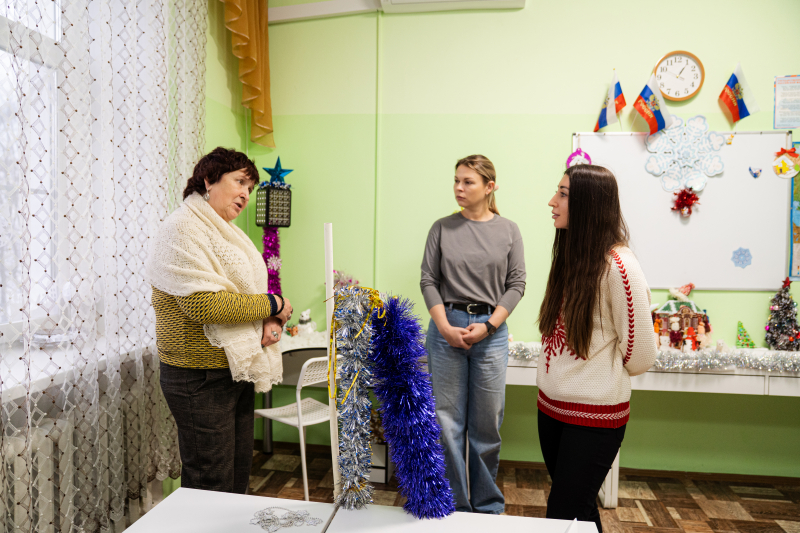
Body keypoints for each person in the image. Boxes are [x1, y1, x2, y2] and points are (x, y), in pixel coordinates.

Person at [146, 147, 293, 494]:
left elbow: (245, 296)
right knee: (211, 482)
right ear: (209, 179)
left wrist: (271, 318)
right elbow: (204, 305)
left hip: (234, 368)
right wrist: (274, 303)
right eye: (240, 181)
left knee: (236, 476)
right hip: (198, 375)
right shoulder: (182, 228)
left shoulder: (226, 232)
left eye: (250, 188)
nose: (246, 194)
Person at [536, 164, 656, 532]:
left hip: (592, 418)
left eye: (563, 194)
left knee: (563, 516)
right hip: (551, 408)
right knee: (579, 511)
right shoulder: (571, 255)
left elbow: (642, 353)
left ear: (588, 204)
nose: (552, 202)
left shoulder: (620, 267)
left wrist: (600, 376)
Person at [420, 154, 526, 514]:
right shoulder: (441, 228)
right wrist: (444, 327)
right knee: (446, 421)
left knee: (487, 424)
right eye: (456, 180)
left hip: (490, 331)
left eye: (468, 182)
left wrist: (490, 325)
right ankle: (454, 505)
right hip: (446, 327)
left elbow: (516, 284)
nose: (459, 188)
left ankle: (487, 505)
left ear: (489, 187)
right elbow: (428, 280)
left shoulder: (509, 230)